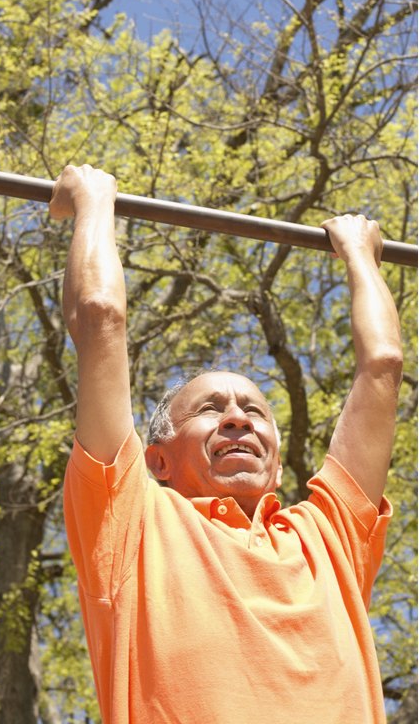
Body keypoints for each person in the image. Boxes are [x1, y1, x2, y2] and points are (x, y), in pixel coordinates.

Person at [49, 164, 403, 724]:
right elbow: (99, 319)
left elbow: (383, 366)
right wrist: (93, 200)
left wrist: (361, 256)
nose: (237, 418)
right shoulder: (133, 524)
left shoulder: (327, 538)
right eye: (210, 410)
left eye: (254, 411)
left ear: (278, 461)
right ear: (157, 458)